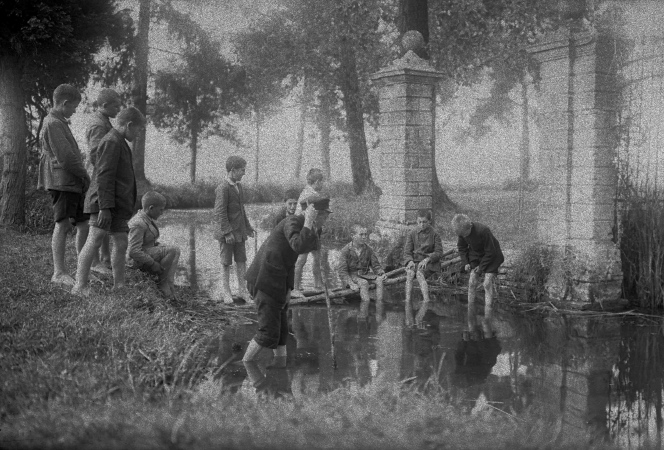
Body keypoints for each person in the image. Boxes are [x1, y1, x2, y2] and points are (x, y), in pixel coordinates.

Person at [242, 195, 331, 368]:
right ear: (314, 214)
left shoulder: (310, 228)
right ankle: (246, 367)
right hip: (264, 281)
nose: (325, 220)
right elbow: (298, 246)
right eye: (324, 216)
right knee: (268, 332)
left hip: (278, 282)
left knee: (282, 334)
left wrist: (289, 289)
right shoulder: (293, 222)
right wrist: (308, 222)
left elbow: (292, 260)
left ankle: (280, 371)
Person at [71, 107, 144, 296]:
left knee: (121, 242)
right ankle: (79, 285)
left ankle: (119, 286)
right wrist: (104, 208)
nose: (137, 134)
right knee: (95, 239)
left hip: (116, 205)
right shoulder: (112, 141)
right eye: (138, 130)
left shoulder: (119, 141)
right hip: (104, 204)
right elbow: (104, 176)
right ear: (129, 125)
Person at [37, 84, 91, 286]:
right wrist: (85, 175)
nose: (75, 111)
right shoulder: (53, 123)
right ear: (65, 103)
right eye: (74, 107)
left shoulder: (59, 122)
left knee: (83, 223)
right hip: (62, 182)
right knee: (63, 224)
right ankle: (59, 273)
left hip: (71, 182)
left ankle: (82, 269)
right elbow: (66, 157)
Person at [85, 88, 122, 274]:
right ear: (105, 105)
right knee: (98, 221)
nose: (119, 109)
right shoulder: (98, 125)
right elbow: (96, 154)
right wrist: (107, 172)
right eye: (116, 106)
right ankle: (94, 263)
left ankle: (105, 258)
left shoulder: (104, 121)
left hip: (102, 176)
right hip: (99, 178)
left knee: (104, 221)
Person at [212, 155, 255, 304]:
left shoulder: (238, 186)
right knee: (226, 262)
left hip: (239, 231)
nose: (244, 173)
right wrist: (227, 232)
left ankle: (242, 291)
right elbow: (220, 212)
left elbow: (241, 209)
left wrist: (248, 227)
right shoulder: (223, 188)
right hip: (227, 233)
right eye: (242, 170)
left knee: (241, 260)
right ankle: (226, 292)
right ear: (233, 170)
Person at [127, 191, 181, 299]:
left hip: (144, 252)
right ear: (151, 208)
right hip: (134, 261)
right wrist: (153, 264)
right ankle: (162, 282)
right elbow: (133, 251)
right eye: (161, 209)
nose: (162, 213)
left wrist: (157, 245)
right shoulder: (138, 223)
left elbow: (146, 241)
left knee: (176, 250)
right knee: (172, 250)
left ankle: (169, 282)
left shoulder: (146, 218)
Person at [452, 213, 504, 318]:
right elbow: (462, 248)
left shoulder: (483, 231)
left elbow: (491, 252)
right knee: (472, 281)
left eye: (466, 234)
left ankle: (488, 312)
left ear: (470, 226)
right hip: (476, 255)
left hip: (492, 256)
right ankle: (470, 310)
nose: (465, 237)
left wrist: (481, 267)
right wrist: (466, 262)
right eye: (463, 235)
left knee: (487, 283)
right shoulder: (462, 232)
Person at [403, 209, 444, 327]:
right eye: (419, 222)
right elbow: (407, 252)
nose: (422, 224)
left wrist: (428, 259)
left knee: (419, 274)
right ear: (416, 221)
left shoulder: (435, 234)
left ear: (429, 221)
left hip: (429, 262)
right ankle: (407, 301)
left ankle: (426, 301)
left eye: (425, 222)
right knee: (410, 273)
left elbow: (439, 252)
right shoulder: (412, 233)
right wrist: (410, 261)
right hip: (415, 261)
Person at [337, 225, 386, 319]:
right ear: (353, 235)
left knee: (380, 280)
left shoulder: (368, 249)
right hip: (352, 276)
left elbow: (375, 265)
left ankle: (379, 307)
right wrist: (351, 283)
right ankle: (364, 309)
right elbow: (342, 271)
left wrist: (381, 272)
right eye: (361, 234)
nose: (364, 237)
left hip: (365, 274)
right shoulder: (346, 250)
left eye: (365, 234)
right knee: (364, 283)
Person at [292, 168, 326, 296]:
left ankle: (318, 285)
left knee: (317, 257)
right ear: (317, 182)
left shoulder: (310, 192)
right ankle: (295, 288)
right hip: (305, 229)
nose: (322, 184)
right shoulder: (309, 194)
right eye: (321, 182)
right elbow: (303, 213)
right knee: (302, 259)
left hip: (313, 229)